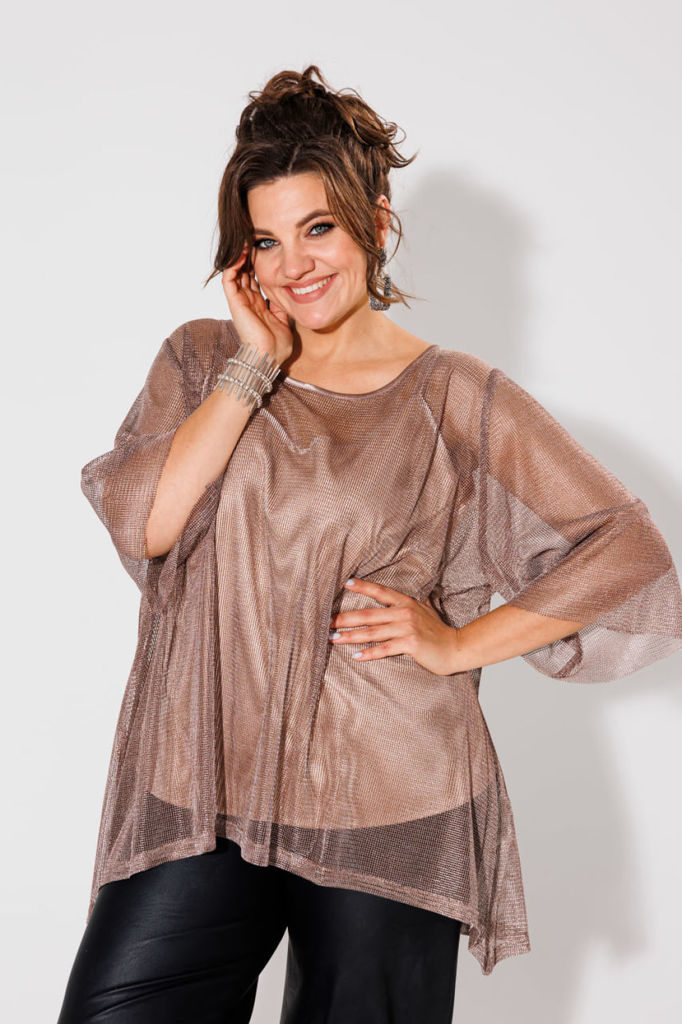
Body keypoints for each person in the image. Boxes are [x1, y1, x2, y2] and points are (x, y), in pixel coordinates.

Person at [57, 65, 682, 1023]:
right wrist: (254, 364)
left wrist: (459, 644)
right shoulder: (202, 358)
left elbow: (628, 548)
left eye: (318, 229)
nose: (294, 265)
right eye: (267, 240)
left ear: (376, 222)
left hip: (386, 794)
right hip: (205, 782)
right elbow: (148, 523)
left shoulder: (452, 393)